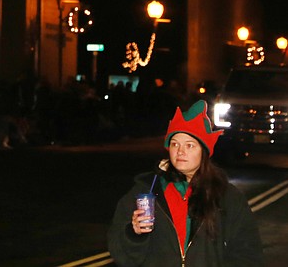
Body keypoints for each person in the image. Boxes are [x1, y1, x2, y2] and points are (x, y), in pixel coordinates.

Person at [108, 100, 263, 266]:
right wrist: (134, 234)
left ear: (204, 152)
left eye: (190, 145)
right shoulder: (147, 191)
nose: (180, 151)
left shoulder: (227, 196)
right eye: (175, 144)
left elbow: (248, 253)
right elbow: (121, 254)